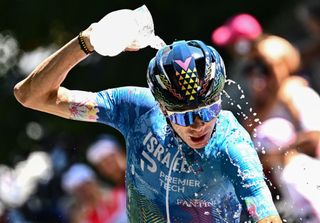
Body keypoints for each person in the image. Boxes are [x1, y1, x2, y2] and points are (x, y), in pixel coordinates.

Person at [13, 11, 282, 222]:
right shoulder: (136, 109)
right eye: (185, 117)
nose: (199, 124)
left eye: (209, 110)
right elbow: (31, 96)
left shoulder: (231, 144)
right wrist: (87, 41)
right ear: (163, 109)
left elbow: (265, 212)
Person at [62, 163, 127, 223]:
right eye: (80, 190)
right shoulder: (81, 218)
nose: (85, 192)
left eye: (87, 185)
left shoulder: (119, 196)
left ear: (94, 182)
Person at [86, 134, 127, 222]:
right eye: (103, 164)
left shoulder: (142, 172)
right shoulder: (118, 194)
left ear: (122, 153)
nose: (109, 165)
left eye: (110, 158)